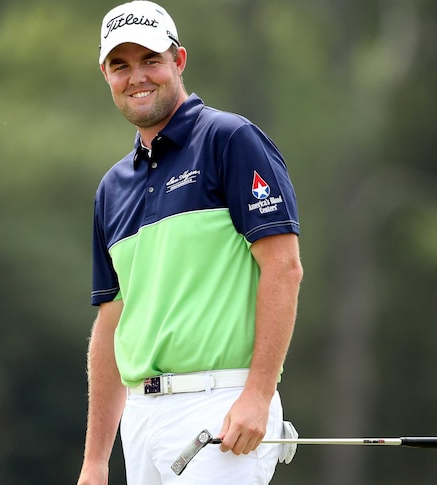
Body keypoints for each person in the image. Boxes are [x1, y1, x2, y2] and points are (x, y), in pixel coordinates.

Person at [78, 1, 302, 483]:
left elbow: (283, 267)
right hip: (140, 419)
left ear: (178, 61)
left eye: (151, 61)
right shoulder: (111, 188)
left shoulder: (229, 139)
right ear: (106, 75)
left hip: (220, 404)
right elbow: (111, 323)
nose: (137, 77)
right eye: (121, 66)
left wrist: (258, 395)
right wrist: (96, 461)